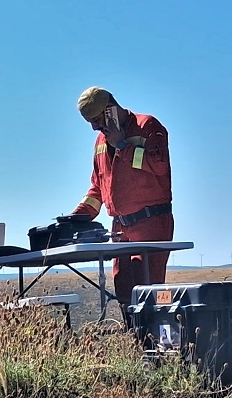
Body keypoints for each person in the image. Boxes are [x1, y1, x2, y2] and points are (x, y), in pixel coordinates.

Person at [69, 86, 174, 310]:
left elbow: (159, 166)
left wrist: (122, 147)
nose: (94, 127)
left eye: (97, 120)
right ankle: (134, 340)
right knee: (124, 290)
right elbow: (98, 187)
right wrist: (77, 217)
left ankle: (161, 336)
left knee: (151, 290)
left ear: (111, 110)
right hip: (120, 228)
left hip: (151, 223)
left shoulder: (148, 126)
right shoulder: (99, 142)